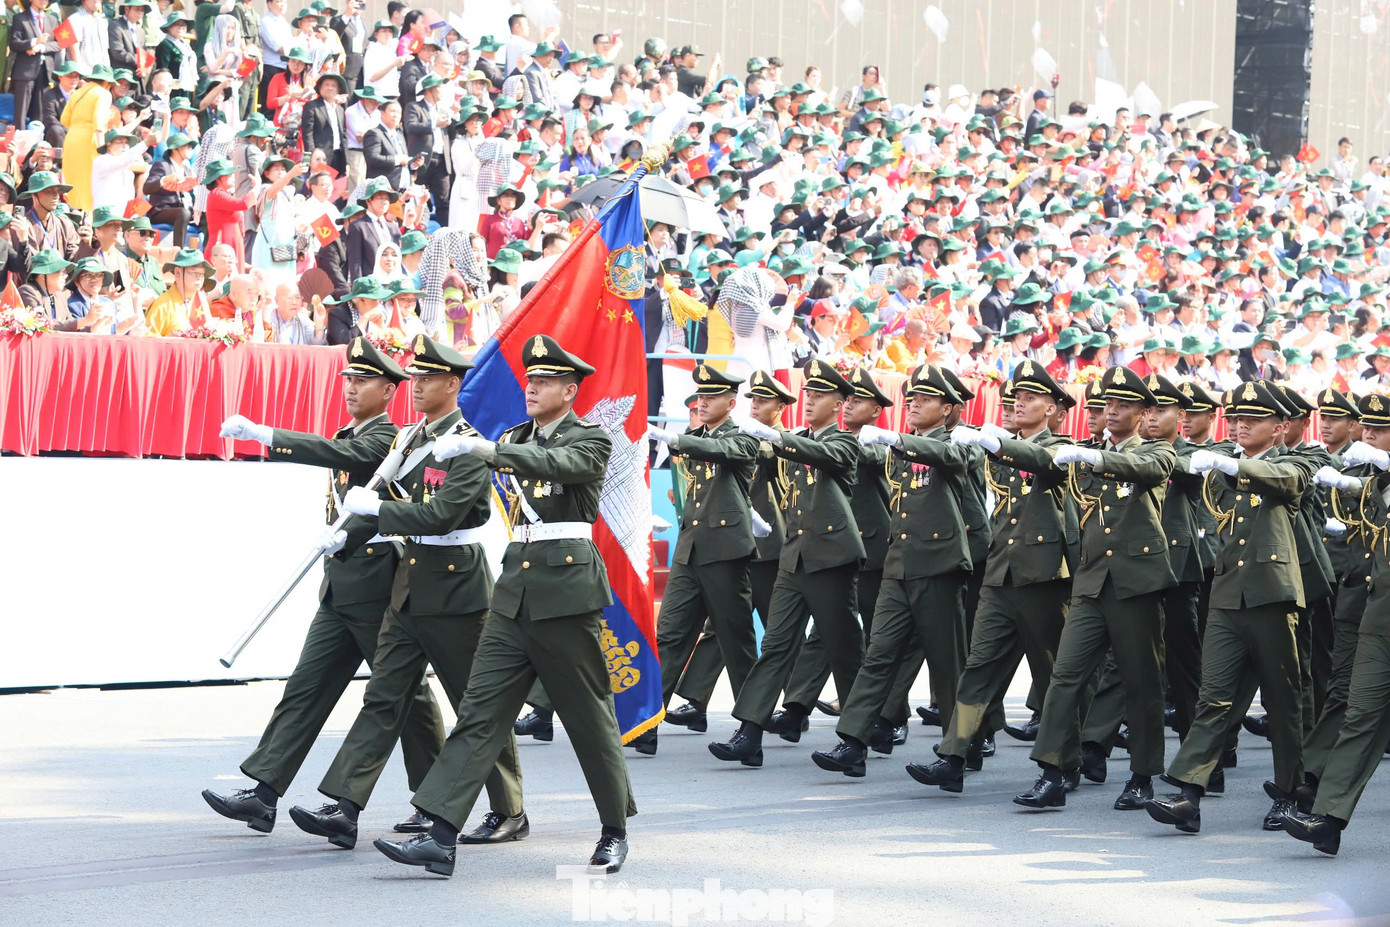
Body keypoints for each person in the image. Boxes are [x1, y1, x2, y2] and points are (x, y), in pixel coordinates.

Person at [374, 334, 635, 877]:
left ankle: (614, 829)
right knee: (479, 713)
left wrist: (483, 449)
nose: (532, 388)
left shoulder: (590, 438)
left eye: (544, 381)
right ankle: (440, 834)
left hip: (567, 596)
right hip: (514, 589)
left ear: (570, 389)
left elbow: (559, 465)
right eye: (528, 380)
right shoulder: (516, 434)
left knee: (588, 718)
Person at [203, 338, 447, 836]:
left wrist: (267, 434)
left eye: (364, 381)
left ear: (389, 390)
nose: (352, 388)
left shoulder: (387, 438)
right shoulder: (352, 432)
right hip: (340, 589)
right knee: (305, 690)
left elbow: (342, 455)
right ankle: (264, 792)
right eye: (348, 380)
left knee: (406, 698)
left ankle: (434, 800)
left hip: (379, 587)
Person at [293, 333, 527, 851]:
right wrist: (345, 534)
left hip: (456, 588)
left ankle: (509, 808)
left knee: (475, 704)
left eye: (426, 378)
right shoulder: (409, 440)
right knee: (383, 697)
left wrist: (378, 513)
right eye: (414, 377)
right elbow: (379, 498)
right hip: (407, 586)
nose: (415, 386)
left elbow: (441, 515)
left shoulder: (467, 445)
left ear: (452, 383)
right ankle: (346, 807)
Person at [1146, 379, 1313, 834]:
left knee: (1283, 701)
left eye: (1252, 420)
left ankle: (1290, 791)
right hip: (1227, 596)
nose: (1240, 426)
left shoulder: (1293, 461)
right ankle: (1188, 794)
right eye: (1236, 419)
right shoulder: (1220, 468)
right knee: (1213, 698)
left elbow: (1288, 481)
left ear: (1279, 427)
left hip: (1272, 597)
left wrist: (1230, 464)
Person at [903, 362, 1073, 792]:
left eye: (1032, 398)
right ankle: (953, 756)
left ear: (1053, 409)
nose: (1020, 403)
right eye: (1017, 396)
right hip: (1001, 574)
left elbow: (1044, 462)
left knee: (1054, 676)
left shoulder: (1063, 446)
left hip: (1043, 578)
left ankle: (1063, 763)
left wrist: (996, 443)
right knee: (978, 670)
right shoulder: (1001, 448)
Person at [1013, 365, 1176, 811]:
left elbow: (1144, 469)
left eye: (1123, 405)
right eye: (1107, 404)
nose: (1113, 411)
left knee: (1142, 685)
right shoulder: (1081, 450)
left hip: (1135, 585)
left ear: (1144, 413)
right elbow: (1044, 462)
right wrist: (1004, 447)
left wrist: (1098, 460)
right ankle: (1052, 772)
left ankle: (1142, 776)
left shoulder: (1157, 451)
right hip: (1089, 581)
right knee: (1064, 678)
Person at [811, 363, 972, 777]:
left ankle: (958, 751)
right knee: (878, 656)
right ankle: (853, 742)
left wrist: (898, 439)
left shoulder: (957, 444)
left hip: (938, 567)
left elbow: (949, 457)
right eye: (912, 398)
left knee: (948, 665)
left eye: (926, 398)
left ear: (949, 408)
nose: (915, 404)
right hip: (899, 566)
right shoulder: (902, 446)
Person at [709, 360, 865, 767]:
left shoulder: (845, 442)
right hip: (795, 557)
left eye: (820, 395)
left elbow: (821, 454)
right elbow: (762, 451)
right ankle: (750, 732)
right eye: (808, 393)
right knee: (775, 646)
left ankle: (855, 740)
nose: (810, 400)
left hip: (831, 559)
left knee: (844, 648)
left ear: (841, 403)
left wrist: (776, 438)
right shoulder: (794, 440)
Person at [642, 365, 761, 756]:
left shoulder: (740, 439)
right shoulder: (694, 438)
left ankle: (751, 732)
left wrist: (674, 438)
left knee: (736, 642)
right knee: (671, 634)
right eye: (700, 397)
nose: (702, 402)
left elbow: (721, 452)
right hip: (691, 549)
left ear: (731, 402)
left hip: (726, 552)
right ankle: (647, 721)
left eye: (711, 397)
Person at [60, 63, 116, 213]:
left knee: (74, 185)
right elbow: (98, 125)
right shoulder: (104, 94)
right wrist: (102, 151)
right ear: (106, 82)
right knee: (90, 185)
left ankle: (74, 217)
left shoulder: (77, 92)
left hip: (71, 138)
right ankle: (88, 222)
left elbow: (64, 119)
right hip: (89, 140)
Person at [10, 0, 62, 132]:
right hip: (25, 72)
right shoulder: (20, 18)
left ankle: (37, 141)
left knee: (40, 111)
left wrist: (41, 47)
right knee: (21, 112)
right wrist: (33, 42)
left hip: (45, 72)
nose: (43, 1)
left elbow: (58, 44)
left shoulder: (52, 19)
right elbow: (14, 43)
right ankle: (18, 143)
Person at [143, 131, 198, 248]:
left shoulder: (187, 169)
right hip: (161, 210)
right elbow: (146, 188)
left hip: (184, 208)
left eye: (191, 146)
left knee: (205, 214)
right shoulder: (162, 165)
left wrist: (197, 210)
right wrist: (164, 180)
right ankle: (178, 251)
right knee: (183, 213)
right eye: (187, 146)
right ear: (175, 149)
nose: (190, 149)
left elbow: (191, 194)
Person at [144, 247, 214, 335]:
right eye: (194, 272)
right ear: (177, 273)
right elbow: (148, 340)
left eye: (202, 273)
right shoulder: (162, 305)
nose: (199, 277)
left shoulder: (202, 301)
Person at [347, 178, 401, 281]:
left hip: (392, 284)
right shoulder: (358, 226)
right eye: (380, 198)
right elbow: (355, 261)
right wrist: (359, 290)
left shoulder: (393, 228)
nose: (384, 202)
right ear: (368, 200)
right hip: (370, 285)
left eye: (387, 199)